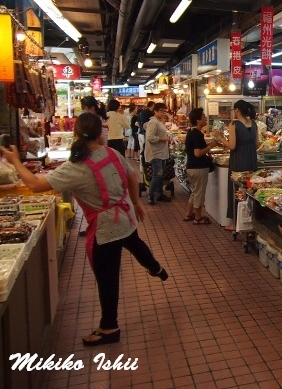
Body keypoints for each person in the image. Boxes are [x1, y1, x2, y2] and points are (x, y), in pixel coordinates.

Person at [0, 112, 169, 347]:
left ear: (76, 133)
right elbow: (133, 176)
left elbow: (35, 185)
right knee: (135, 243)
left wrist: (15, 161)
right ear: (100, 133)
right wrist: (135, 203)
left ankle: (109, 327)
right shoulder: (112, 153)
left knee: (107, 278)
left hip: (106, 228)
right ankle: (156, 268)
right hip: (125, 215)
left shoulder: (76, 166)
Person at [213, 100, 258, 230]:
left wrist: (220, 137)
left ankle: (236, 222)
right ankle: (251, 220)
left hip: (239, 159)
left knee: (236, 188)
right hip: (252, 159)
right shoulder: (254, 123)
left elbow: (232, 146)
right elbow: (256, 144)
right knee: (250, 189)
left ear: (237, 110)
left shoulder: (234, 124)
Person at [183, 108, 218, 225]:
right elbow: (197, 153)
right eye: (203, 116)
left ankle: (189, 214)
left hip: (191, 167)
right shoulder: (197, 134)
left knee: (195, 192)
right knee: (199, 193)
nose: (206, 118)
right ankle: (198, 218)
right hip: (198, 168)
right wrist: (211, 146)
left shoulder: (191, 132)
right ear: (198, 120)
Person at [143, 102, 172, 205]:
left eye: (165, 111)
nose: (164, 113)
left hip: (161, 152)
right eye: (161, 111)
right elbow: (150, 137)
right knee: (157, 175)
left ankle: (159, 194)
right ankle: (151, 195)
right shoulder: (153, 122)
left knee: (161, 175)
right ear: (155, 111)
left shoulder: (159, 122)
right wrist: (163, 139)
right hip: (156, 153)